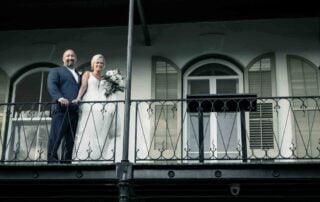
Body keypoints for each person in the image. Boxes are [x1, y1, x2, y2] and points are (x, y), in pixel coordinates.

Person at [72, 54, 121, 162]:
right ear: (93, 64)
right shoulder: (87, 74)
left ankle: (97, 155)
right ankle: (82, 156)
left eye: (101, 63)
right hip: (90, 103)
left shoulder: (105, 78)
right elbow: (83, 86)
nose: (99, 64)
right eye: (97, 62)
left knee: (100, 131)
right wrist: (78, 98)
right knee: (87, 129)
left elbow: (108, 92)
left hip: (101, 105)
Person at [47, 49, 80, 163]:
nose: (70, 58)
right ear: (63, 58)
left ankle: (67, 162)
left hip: (74, 111)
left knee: (70, 140)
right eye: (68, 56)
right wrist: (59, 97)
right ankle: (52, 161)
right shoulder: (56, 71)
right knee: (56, 137)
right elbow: (52, 85)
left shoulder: (78, 74)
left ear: (75, 59)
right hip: (61, 109)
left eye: (72, 56)